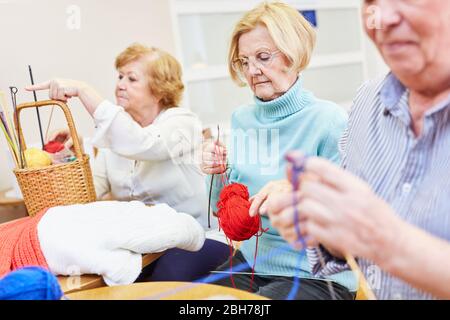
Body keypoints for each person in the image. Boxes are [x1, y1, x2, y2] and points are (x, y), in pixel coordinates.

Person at [267, 0, 450, 299]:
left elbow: (376, 238)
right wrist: (326, 223)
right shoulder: (368, 101)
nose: (382, 17)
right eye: (370, 2)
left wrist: (385, 241)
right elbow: (352, 244)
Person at [26, 43, 229, 282]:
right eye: (120, 76)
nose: (120, 84)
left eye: (132, 79)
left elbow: (144, 144)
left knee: (160, 285)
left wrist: (84, 91)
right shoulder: (115, 139)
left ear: (160, 89)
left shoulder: (183, 123)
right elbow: (87, 196)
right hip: (141, 249)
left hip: (196, 240)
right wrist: (69, 157)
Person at [202, 2, 356, 299]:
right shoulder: (242, 119)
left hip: (316, 275)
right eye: (244, 61)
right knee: (197, 303)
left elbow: (348, 219)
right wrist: (216, 172)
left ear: (294, 54)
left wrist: (297, 194)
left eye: (262, 57)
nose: (252, 71)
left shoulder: (329, 121)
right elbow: (222, 209)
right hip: (253, 263)